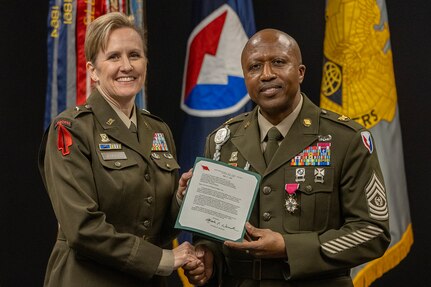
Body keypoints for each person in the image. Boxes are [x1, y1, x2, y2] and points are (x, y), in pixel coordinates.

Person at [182, 28, 391, 287]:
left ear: (300, 72)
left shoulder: (346, 139)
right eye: (255, 67)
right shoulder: (221, 142)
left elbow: (372, 232)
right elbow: (212, 230)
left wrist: (289, 248)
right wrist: (207, 255)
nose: (267, 74)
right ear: (245, 77)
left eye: (278, 62)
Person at [38, 12, 195, 287]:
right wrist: (164, 260)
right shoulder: (70, 129)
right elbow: (82, 229)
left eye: (135, 55)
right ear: (93, 70)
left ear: (146, 63)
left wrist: (181, 199)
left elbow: (156, 226)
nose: (127, 66)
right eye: (113, 57)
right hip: (87, 279)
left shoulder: (158, 130)